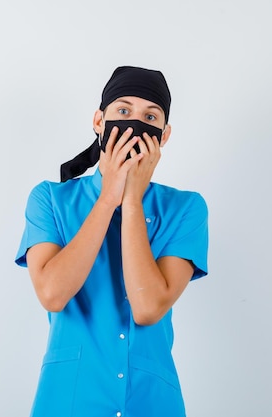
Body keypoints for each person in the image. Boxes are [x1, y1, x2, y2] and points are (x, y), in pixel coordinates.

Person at [14, 66, 209, 417]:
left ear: (163, 136)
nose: (135, 123)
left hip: (151, 402)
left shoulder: (185, 208)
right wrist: (109, 198)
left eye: (150, 116)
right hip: (69, 399)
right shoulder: (50, 199)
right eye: (123, 110)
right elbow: (52, 294)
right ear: (99, 121)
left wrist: (132, 201)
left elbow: (149, 308)